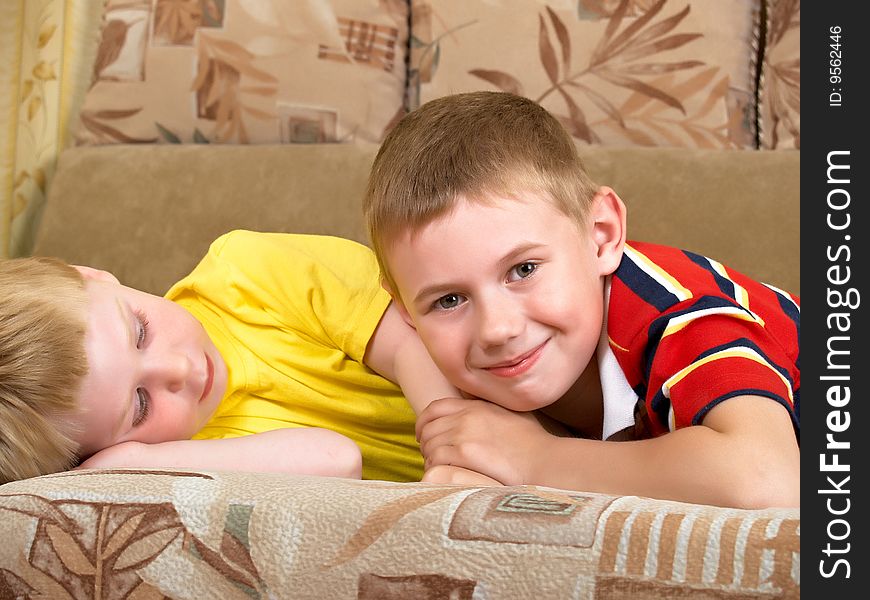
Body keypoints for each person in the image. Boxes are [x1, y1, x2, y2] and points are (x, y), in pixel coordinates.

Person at [362, 91, 800, 508]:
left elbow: (766, 480)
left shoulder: (677, 310)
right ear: (404, 307)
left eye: (524, 270)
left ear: (601, 235)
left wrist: (536, 458)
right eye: (449, 300)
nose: (497, 329)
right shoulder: (480, 368)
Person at [0, 230, 484, 485]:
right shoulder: (192, 453)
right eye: (140, 406)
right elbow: (337, 460)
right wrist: (127, 466)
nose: (182, 371)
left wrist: (456, 450)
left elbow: (408, 341)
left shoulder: (245, 273)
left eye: (140, 331)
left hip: (501, 385)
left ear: (95, 276)